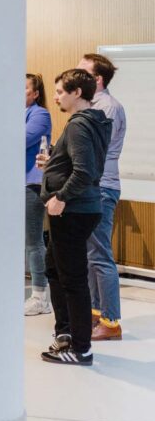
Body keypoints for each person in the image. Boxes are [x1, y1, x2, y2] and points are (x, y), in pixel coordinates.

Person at [38, 68, 111, 365]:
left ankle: (81, 348)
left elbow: (85, 171)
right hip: (77, 208)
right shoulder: (90, 123)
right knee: (56, 270)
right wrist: (55, 160)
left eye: (59, 92)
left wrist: (60, 197)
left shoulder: (80, 125)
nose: (55, 97)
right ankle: (66, 332)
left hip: (73, 210)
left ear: (76, 93)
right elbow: (79, 165)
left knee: (73, 278)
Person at [78, 53, 127, 341]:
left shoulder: (107, 107)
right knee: (91, 254)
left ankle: (111, 323)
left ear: (97, 79)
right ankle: (96, 315)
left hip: (102, 187)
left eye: (82, 72)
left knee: (100, 255)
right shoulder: (95, 105)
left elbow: (93, 151)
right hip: (95, 186)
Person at [24, 74, 53, 315]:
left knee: (33, 242)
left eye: (23, 89)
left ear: (35, 94)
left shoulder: (40, 114)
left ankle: (40, 296)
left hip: (31, 185)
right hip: (11, 184)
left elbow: (17, 140)